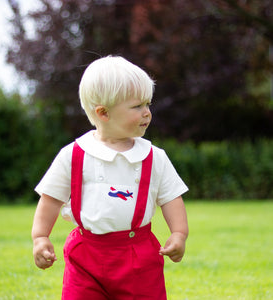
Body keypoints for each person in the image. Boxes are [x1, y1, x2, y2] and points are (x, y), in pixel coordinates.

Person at [32, 55, 189, 300]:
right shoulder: (74, 155)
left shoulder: (153, 157)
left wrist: (179, 234)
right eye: (137, 106)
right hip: (85, 255)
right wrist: (40, 237)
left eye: (148, 104)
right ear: (103, 113)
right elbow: (50, 199)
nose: (147, 113)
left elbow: (171, 198)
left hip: (139, 255)